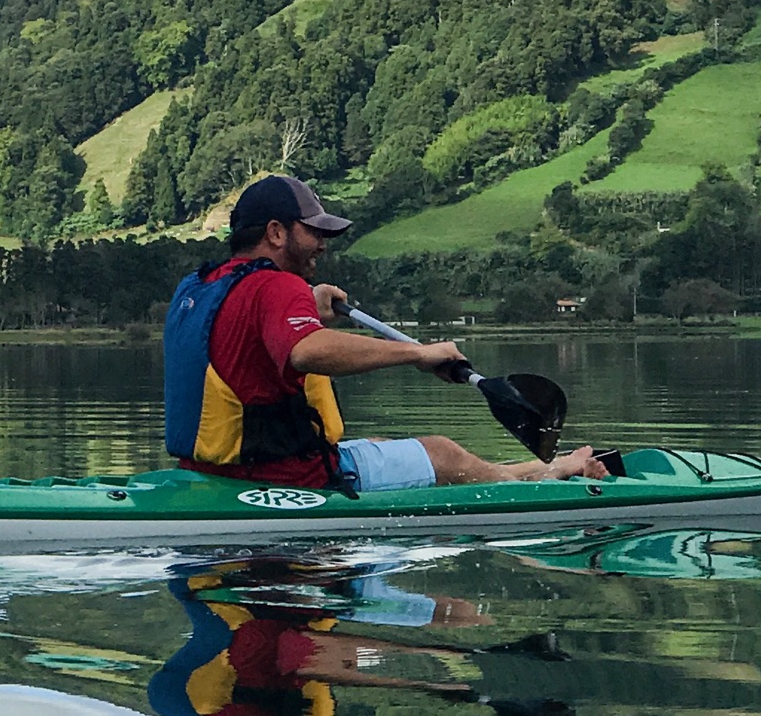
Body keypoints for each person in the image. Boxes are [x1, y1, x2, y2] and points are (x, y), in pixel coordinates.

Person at [166, 173, 607, 495]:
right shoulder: (277, 287)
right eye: (314, 231)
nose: (323, 243)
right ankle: (550, 484)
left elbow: (249, 346)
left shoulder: (200, 287)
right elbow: (305, 350)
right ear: (276, 232)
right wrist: (417, 354)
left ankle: (541, 468)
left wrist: (306, 309)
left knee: (379, 445)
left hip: (213, 469)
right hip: (286, 478)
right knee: (442, 453)